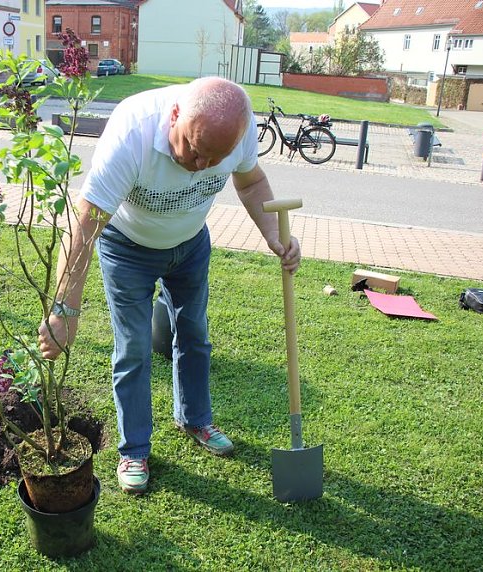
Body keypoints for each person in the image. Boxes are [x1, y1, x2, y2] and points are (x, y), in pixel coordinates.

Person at [38, 77, 301, 494]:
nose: (201, 165)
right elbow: (86, 222)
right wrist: (64, 310)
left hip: (190, 244)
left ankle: (195, 419)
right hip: (127, 247)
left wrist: (273, 234)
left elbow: (250, 182)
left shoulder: (240, 129)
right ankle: (135, 448)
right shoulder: (133, 131)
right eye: (194, 150)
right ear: (175, 115)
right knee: (135, 347)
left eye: (214, 159)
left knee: (194, 334)